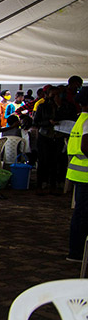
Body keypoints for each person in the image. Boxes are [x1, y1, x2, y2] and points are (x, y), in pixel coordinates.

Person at [67, 89, 88, 262]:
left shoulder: (80, 118)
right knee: (82, 215)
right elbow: (86, 146)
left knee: (80, 214)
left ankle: (76, 251)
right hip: (85, 174)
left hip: (78, 173)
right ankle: (77, 252)